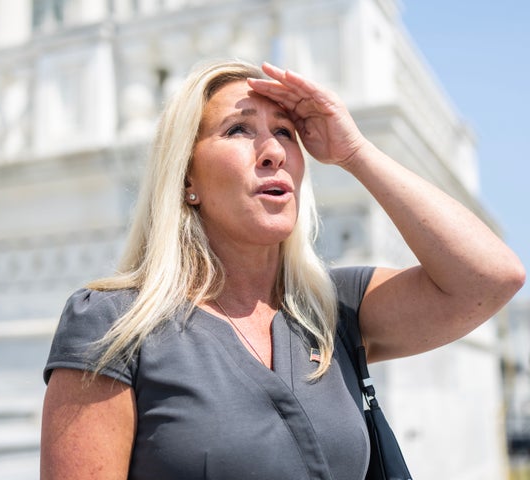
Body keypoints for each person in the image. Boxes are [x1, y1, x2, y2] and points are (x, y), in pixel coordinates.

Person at [39, 59, 525, 480]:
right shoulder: (112, 324)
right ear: (187, 177)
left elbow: (490, 278)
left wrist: (355, 153)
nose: (272, 151)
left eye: (285, 134)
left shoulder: (333, 309)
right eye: (239, 130)